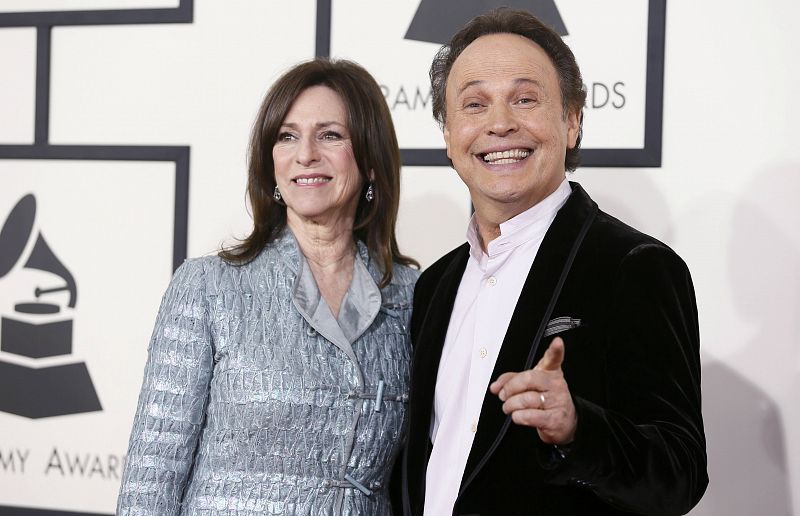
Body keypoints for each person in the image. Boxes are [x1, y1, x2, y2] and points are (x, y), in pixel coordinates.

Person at [401, 8, 708, 516]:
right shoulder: (434, 285)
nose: (500, 124)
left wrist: (578, 429)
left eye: (525, 99)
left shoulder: (634, 267)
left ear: (571, 121)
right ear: (448, 135)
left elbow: (678, 474)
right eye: (474, 105)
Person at [117, 58, 419, 515]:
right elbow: (151, 482)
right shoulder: (209, 287)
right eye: (287, 136)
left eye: (330, 135)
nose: (306, 155)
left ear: (371, 161)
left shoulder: (411, 295)